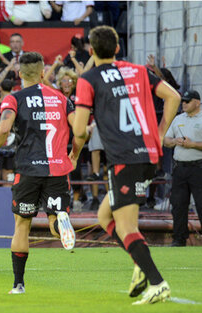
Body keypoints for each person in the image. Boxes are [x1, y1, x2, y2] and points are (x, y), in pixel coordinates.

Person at [73, 25, 181, 304]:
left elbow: (80, 130)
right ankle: (140, 263)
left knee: (126, 227)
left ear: (91, 51)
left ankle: (157, 282)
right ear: (118, 48)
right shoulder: (138, 71)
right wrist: (158, 133)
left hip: (124, 159)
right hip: (148, 155)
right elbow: (174, 97)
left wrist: (77, 140)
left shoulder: (89, 79)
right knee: (104, 217)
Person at [0, 52, 85, 294]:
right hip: (58, 168)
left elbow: (4, 127)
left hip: (28, 169)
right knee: (53, 221)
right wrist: (75, 155)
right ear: (43, 73)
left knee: (22, 225)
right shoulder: (62, 99)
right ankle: (60, 222)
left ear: (19, 73)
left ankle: (18, 284)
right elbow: (81, 132)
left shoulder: (14, 99)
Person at [164, 90, 202, 247]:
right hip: (180, 168)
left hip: (198, 167)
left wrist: (192, 144)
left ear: (197, 102)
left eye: (187, 101)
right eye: (183, 101)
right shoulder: (178, 118)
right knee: (178, 204)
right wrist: (174, 141)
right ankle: (179, 239)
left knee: (201, 204)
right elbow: (165, 140)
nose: (184, 104)